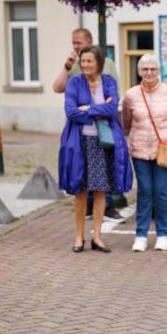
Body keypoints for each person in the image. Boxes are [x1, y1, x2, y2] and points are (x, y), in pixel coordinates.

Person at [59, 46, 133, 253]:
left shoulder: (108, 81)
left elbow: (112, 109)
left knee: (100, 190)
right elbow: (71, 112)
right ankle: (79, 236)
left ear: (98, 62)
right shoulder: (74, 82)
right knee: (80, 191)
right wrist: (96, 111)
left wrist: (88, 109)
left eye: (89, 61)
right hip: (80, 142)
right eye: (83, 61)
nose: (85, 65)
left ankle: (97, 237)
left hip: (103, 143)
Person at [54, 27, 123, 220]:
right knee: (81, 175)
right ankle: (89, 209)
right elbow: (59, 89)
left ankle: (107, 207)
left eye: (78, 43)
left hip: (103, 129)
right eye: (73, 43)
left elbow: (112, 99)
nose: (75, 47)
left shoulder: (107, 64)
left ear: (89, 42)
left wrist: (88, 109)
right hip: (79, 130)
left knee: (102, 174)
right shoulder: (74, 65)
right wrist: (66, 67)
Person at [122, 54, 167, 252]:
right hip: (140, 150)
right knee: (144, 191)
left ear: (159, 71)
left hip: (164, 149)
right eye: (145, 69)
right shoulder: (131, 94)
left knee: (162, 192)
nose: (149, 73)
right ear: (139, 71)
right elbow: (126, 121)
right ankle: (141, 235)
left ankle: (163, 234)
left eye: (153, 69)